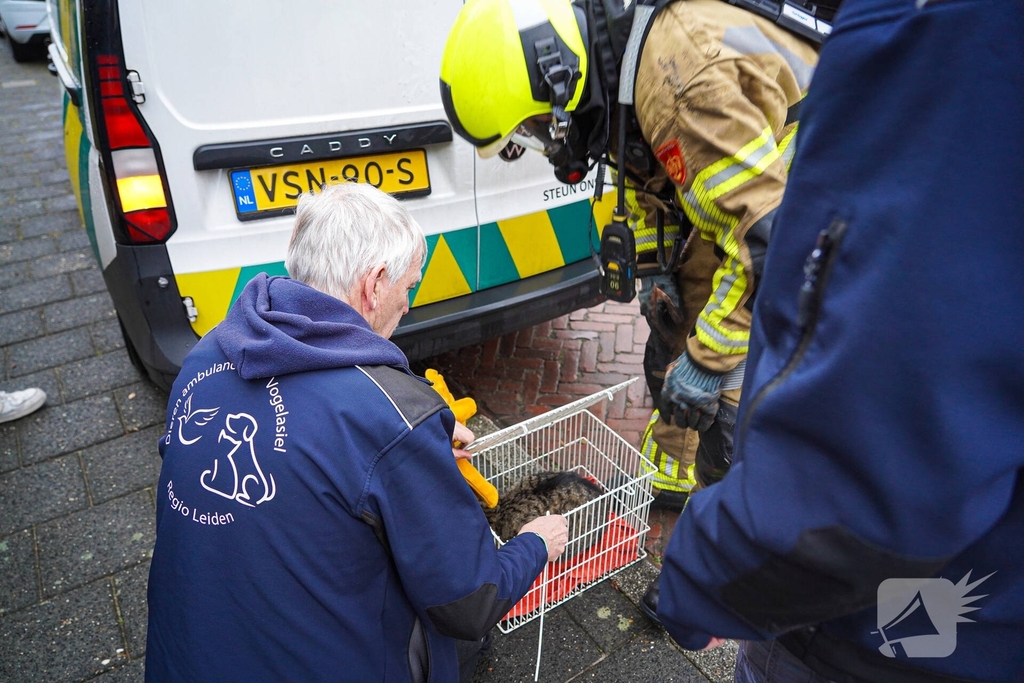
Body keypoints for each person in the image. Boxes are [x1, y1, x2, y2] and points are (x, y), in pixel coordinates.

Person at [656, 0, 1024, 680]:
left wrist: (694, 583)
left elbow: (866, 486)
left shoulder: (949, 34)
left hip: (879, 636)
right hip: (979, 605)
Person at [439, 0, 831, 620]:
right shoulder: (617, 65)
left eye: (534, 131)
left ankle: (715, 577)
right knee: (669, 341)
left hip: (797, 189)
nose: (541, 148)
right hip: (739, 197)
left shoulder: (684, 88)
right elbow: (643, 170)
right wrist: (657, 269)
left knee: (730, 410)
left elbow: (766, 247)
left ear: (556, 85)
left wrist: (707, 365)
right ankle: (670, 478)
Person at [145, 183, 569, 683]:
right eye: (408, 286)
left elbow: (302, 452)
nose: (407, 304)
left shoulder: (208, 354)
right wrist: (536, 543)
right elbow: (467, 602)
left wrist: (410, 443)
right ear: (373, 285)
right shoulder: (392, 417)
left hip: (183, 658)